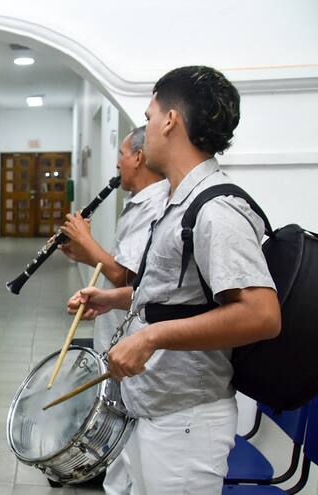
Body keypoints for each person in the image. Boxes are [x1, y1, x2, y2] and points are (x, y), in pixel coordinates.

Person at [67, 66, 281, 494]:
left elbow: (261, 315)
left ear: (170, 120)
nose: (145, 131)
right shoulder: (176, 202)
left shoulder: (215, 210)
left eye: (149, 117)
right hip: (157, 407)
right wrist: (115, 299)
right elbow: (179, 296)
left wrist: (150, 338)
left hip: (186, 422)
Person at [58, 125, 166, 495]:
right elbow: (118, 269)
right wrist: (80, 250)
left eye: (121, 153)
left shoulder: (157, 204)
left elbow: (125, 277)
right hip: (118, 331)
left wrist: (87, 241)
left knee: (128, 454)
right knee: (119, 453)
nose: (118, 162)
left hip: (132, 342)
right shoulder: (137, 202)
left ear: (138, 156)